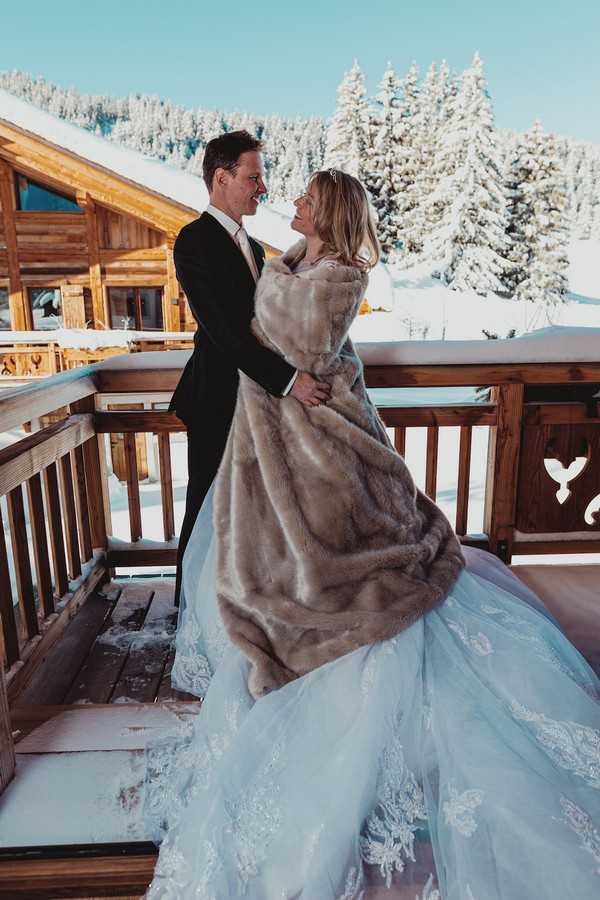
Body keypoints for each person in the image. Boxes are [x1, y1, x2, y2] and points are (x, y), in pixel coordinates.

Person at [143, 170, 600, 899]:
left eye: (302, 200)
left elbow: (294, 341)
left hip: (328, 448)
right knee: (279, 565)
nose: (289, 204)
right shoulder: (298, 264)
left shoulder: (337, 276)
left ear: (326, 213)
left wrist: (271, 285)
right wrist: (276, 278)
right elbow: (267, 333)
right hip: (290, 445)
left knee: (346, 558)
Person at [170, 130, 331, 602]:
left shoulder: (255, 249)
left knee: (248, 510)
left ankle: (241, 603)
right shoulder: (194, 241)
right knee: (204, 507)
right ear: (222, 177)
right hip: (215, 398)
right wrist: (289, 381)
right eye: (253, 176)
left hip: (254, 400)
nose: (262, 187)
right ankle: (186, 611)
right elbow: (222, 331)